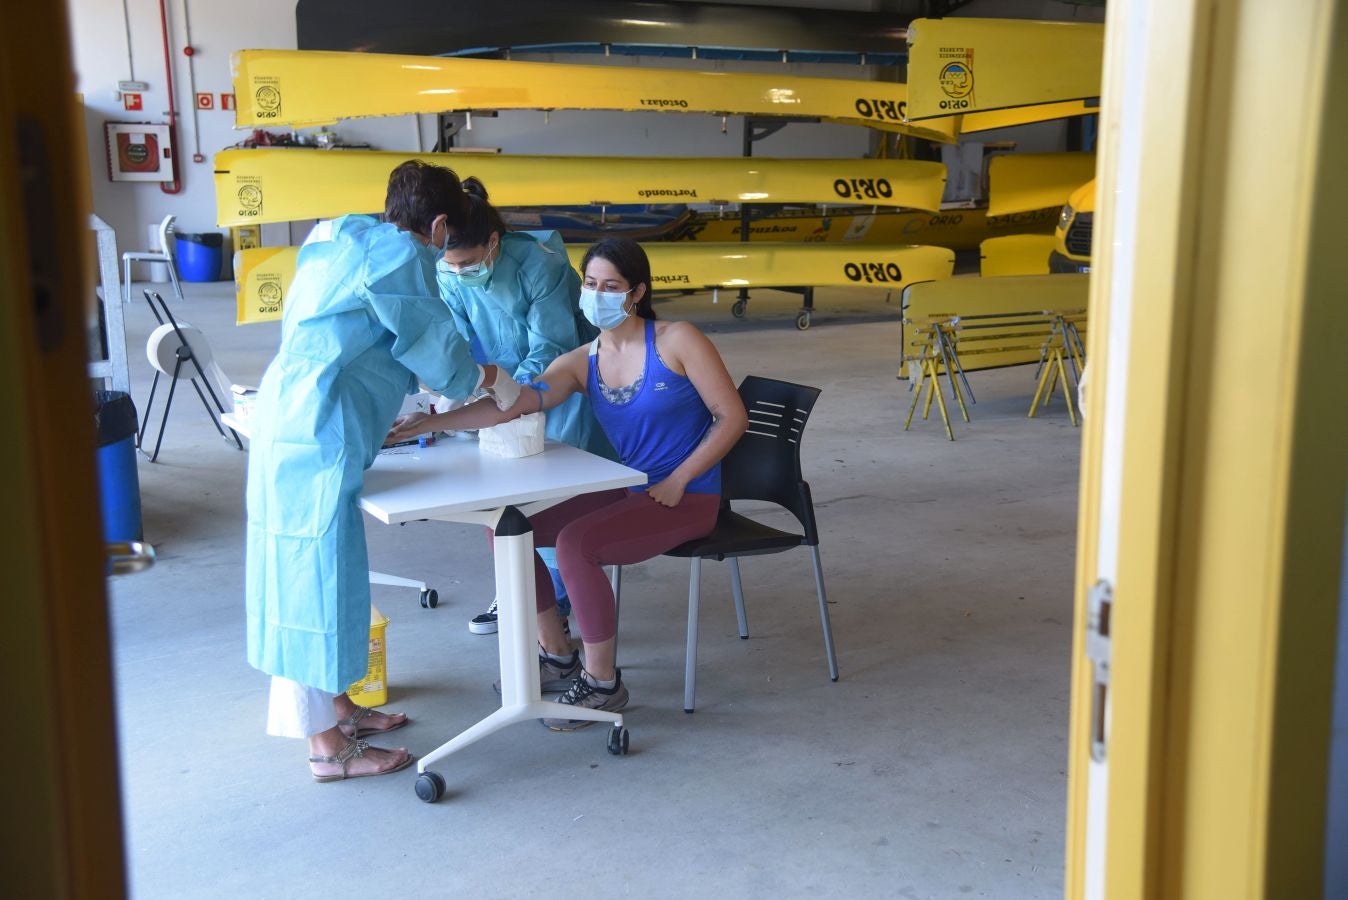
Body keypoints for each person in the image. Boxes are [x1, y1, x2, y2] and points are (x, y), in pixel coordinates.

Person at [390, 236, 749, 729]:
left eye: (611, 286)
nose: (598, 294)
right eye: (591, 283)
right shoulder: (585, 359)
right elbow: (512, 402)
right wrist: (426, 424)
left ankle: (603, 684)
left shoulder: (677, 340)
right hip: (632, 487)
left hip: (686, 495)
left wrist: (682, 478)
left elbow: (731, 417)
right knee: (508, 524)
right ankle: (557, 655)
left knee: (576, 543)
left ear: (637, 291)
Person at [245, 160, 522, 781]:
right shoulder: (399, 258)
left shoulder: (341, 234)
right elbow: (438, 356)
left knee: (327, 566)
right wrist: (491, 379)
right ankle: (328, 750)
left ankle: (340, 708)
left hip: (297, 409)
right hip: (316, 426)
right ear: (442, 222)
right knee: (309, 576)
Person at [434, 177, 615, 636]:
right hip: (505, 383)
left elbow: (552, 348)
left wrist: (508, 393)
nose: (461, 273)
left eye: (470, 263)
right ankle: (522, 587)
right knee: (502, 491)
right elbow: (453, 338)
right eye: (452, 265)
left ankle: (556, 593)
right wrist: (454, 386)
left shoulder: (539, 264)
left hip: (563, 382)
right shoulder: (449, 270)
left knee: (558, 491)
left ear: (493, 242)